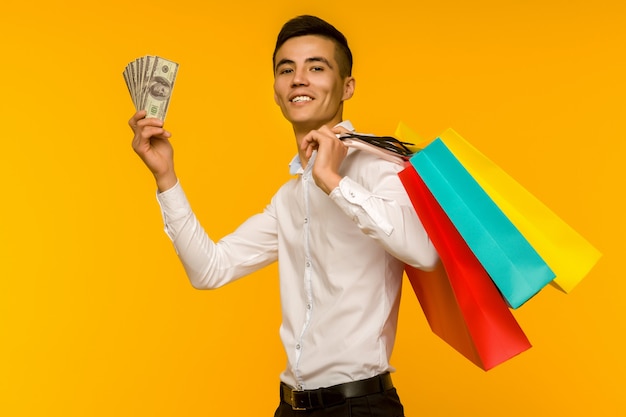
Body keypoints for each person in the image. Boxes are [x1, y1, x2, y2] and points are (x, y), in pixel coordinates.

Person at [129, 15, 438, 417]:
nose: (299, 79)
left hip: (359, 407)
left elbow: (425, 252)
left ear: (347, 86)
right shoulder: (290, 198)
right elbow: (210, 270)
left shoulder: (380, 168)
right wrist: (165, 176)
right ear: (276, 92)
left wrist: (332, 180)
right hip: (290, 406)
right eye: (286, 69)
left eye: (316, 67)